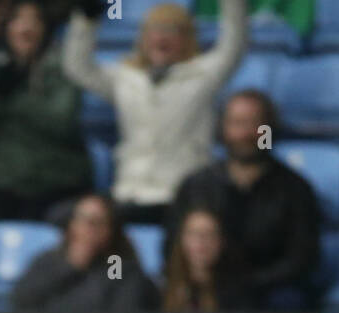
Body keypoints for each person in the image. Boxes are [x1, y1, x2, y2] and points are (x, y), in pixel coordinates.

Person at [61, 0, 248, 226]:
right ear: (143, 38)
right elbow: (77, 68)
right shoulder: (125, 78)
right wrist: (86, 19)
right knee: (66, 218)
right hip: (129, 193)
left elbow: (234, 45)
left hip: (181, 197)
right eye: (155, 30)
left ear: (187, 38)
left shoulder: (204, 76)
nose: (161, 38)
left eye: (172, 31)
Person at [164, 90, 320, 311]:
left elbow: (303, 259)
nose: (246, 133)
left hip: (268, 293)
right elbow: (172, 246)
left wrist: (248, 285)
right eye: (237, 123)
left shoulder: (295, 189)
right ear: (223, 129)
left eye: (255, 124)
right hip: (205, 288)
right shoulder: (196, 185)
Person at [0, 1, 92, 222]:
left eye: (34, 20)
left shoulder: (66, 66)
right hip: (7, 182)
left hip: (60, 180)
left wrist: (13, 96)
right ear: (7, 28)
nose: (26, 28)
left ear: (46, 29)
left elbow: (62, 122)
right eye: (18, 20)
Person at [10, 194, 159, 311]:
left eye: (96, 222)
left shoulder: (118, 265)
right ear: (71, 226)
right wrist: (71, 267)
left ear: (110, 230)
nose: (88, 229)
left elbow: (123, 312)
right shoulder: (49, 260)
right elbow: (22, 301)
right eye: (82, 220)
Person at [161, 207, 250, 312]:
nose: (201, 240)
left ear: (221, 242)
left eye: (209, 233)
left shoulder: (240, 293)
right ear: (181, 239)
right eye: (194, 233)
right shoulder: (161, 287)